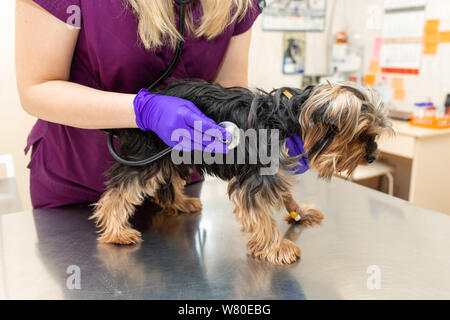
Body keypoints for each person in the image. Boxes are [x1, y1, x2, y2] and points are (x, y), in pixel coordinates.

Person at [15, 0, 262, 208]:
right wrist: (143, 110)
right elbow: (37, 89)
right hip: (80, 185)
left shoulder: (236, 4)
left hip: (177, 187)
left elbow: (229, 96)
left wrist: (274, 138)